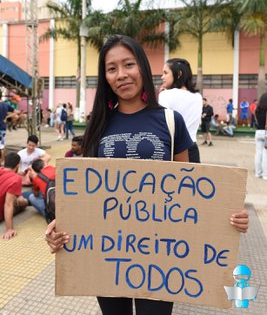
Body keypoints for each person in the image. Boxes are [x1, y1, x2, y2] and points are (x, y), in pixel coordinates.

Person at [45, 35, 249, 315]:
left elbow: (190, 192)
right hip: (106, 253)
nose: (122, 74)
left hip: (160, 254)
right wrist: (60, 227)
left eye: (129, 64)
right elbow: (84, 194)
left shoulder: (170, 121)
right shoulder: (98, 125)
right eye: (112, 68)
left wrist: (229, 218)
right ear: (105, 77)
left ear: (141, 66)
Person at [158, 58, 202, 163]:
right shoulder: (198, 97)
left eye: (165, 73)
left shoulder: (165, 95)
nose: (162, 77)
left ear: (179, 74)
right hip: (192, 150)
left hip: (172, 150)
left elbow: (161, 125)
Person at [0, 153, 28, 239]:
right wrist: (9, 229)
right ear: (17, 165)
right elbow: (8, 204)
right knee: (25, 202)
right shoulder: (16, 178)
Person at [254, 92, 267, 179]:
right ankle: (265, 174)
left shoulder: (257, 110)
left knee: (258, 153)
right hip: (266, 132)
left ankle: (258, 173)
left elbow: (257, 121)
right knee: (265, 154)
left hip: (258, 131)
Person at [0, 91, 15, 166]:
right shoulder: (5, 105)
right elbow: (15, 112)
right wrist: (7, 117)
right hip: (2, 127)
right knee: (2, 145)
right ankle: (2, 161)